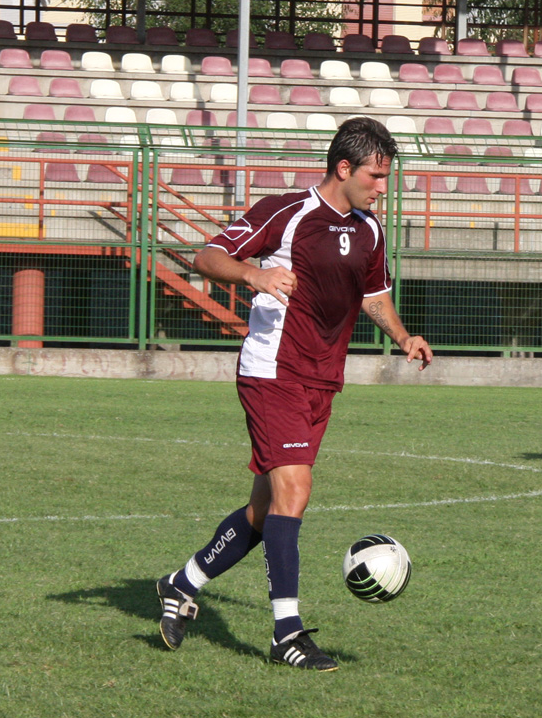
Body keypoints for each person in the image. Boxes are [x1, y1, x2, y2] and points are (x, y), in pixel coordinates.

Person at [156, 117, 432, 671]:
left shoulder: (371, 230)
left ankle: (181, 584)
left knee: (265, 511)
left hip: (323, 379)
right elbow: (207, 256)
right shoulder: (286, 213)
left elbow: (374, 295)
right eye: (376, 176)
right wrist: (253, 276)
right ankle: (287, 633)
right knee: (296, 491)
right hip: (272, 371)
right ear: (343, 168)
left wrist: (403, 336)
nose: (383, 188)